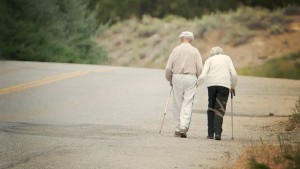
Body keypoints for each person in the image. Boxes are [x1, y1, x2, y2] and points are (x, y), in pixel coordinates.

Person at [165, 31, 203, 138]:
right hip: (191, 77)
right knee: (188, 102)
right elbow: (200, 67)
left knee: (177, 102)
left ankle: (178, 127)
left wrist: (170, 79)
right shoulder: (195, 51)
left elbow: (168, 68)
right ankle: (184, 126)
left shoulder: (175, 50)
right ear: (191, 39)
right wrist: (197, 79)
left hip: (177, 76)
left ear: (181, 39)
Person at [197, 46, 238, 140]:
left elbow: (203, 75)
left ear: (212, 53)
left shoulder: (209, 60)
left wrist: (197, 83)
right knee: (220, 108)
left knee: (211, 108)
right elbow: (234, 74)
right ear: (221, 52)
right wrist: (233, 86)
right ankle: (218, 133)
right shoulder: (227, 58)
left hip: (211, 85)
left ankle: (210, 134)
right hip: (224, 85)